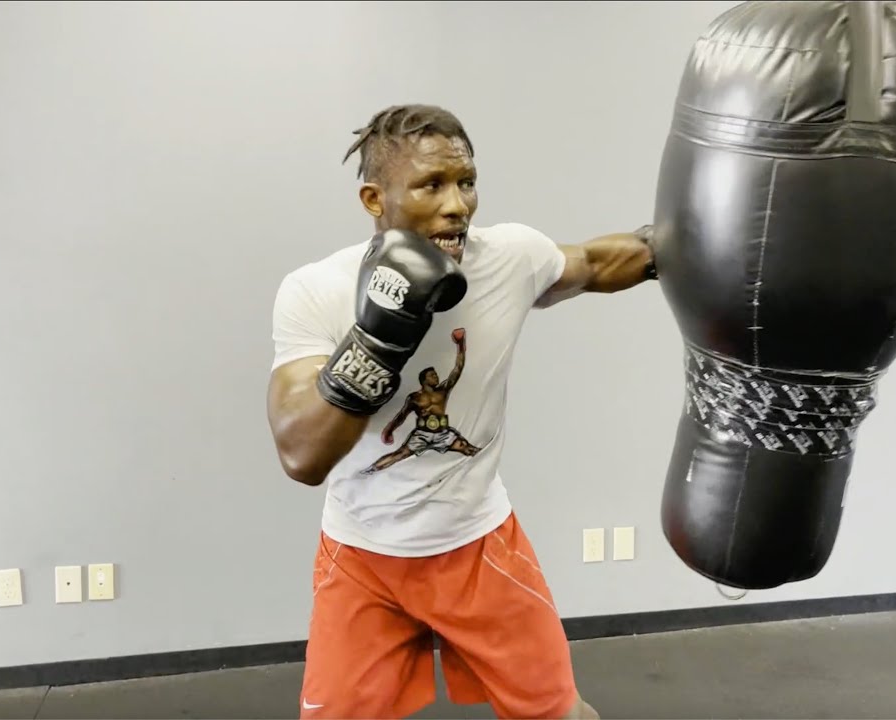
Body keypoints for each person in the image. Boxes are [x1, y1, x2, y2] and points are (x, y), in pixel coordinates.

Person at [265, 103, 656, 720]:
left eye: (466, 182)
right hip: (363, 555)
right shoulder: (318, 289)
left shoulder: (510, 256)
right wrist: (375, 342)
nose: (459, 205)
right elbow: (301, 454)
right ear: (375, 198)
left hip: (479, 545)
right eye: (431, 185)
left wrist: (696, 239)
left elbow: (599, 263)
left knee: (559, 713)